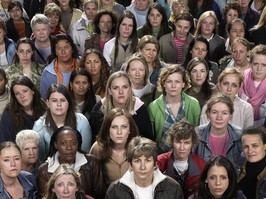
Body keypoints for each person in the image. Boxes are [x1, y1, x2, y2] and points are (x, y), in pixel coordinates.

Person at [105, 136, 184, 199]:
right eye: (137, 161)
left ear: (155, 164)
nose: (143, 167)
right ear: (130, 165)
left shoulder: (173, 188)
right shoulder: (115, 190)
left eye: (147, 160)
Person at [38, 126, 105, 198]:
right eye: (64, 143)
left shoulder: (92, 163)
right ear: (56, 144)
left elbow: (100, 195)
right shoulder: (44, 170)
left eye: (73, 143)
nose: (69, 147)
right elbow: (47, 196)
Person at [148, 64, 200, 152]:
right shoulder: (153, 107)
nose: (173, 86)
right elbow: (151, 140)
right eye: (169, 81)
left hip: (188, 155)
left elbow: (197, 134)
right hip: (161, 156)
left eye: (177, 82)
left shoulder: (193, 104)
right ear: (163, 83)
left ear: (183, 84)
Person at [33, 84, 91, 161]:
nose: (59, 104)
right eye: (54, 101)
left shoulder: (81, 120)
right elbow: (41, 158)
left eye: (63, 100)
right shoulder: (39, 125)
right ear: (47, 103)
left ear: (69, 102)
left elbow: (85, 153)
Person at [90, 71, 153, 141]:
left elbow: (147, 140)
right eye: (116, 88)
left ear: (130, 89)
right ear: (110, 91)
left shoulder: (140, 109)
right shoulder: (99, 110)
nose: (121, 92)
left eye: (125, 87)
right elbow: (95, 140)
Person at [89, 108, 139, 189]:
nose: (119, 132)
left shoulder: (139, 148)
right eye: (114, 127)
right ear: (108, 129)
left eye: (124, 127)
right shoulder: (97, 148)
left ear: (129, 129)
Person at [157, 120, 206, 199]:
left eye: (186, 143)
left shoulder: (201, 165)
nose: (182, 148)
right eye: (178, 142)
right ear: (172, 142)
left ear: (192, 144)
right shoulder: (160, 162)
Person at [194, 94, 244, 169]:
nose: (219, 117)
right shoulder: (197, 133)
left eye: (224, 113)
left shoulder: (240, 135)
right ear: (208, 114)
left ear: (230, 115)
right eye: (214, 112)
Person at [0, 76, 46, 143]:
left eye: (25, 91)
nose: (22, 96)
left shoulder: (42, 106)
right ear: (14, 97)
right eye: (17, 93)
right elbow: (5, 142)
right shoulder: (8, 114)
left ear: (33, 90)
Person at [40, 34, 80, 99]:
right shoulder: (48, 73)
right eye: (59, 48)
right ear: (55, 51)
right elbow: (44, 100)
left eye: (66, 47)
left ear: (72, 49)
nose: (63, 52)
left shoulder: (82, 64)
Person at [238, 44, 266, 126]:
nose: (259, 69)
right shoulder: (240, 78)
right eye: (256, 64)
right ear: (250, 64)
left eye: (264, 65)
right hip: (240, 123)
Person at [238, 127, 266, 199]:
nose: (250, 151)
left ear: (265, 146)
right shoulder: (236, 166)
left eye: (255, 146)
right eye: (246, 147)